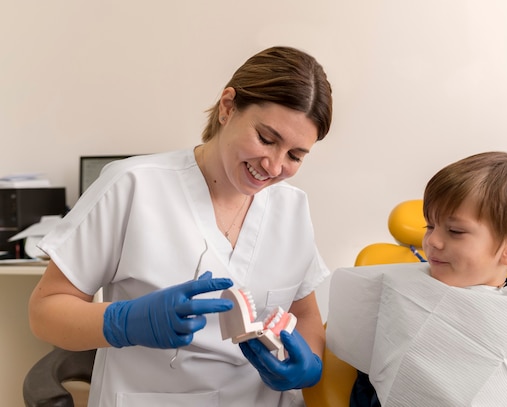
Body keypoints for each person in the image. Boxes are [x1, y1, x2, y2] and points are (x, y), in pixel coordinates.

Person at [29, 45, 333, 406]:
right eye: (266, 139)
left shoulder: (291, 207)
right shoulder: (133, 185)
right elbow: (45, 311)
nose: (274, 165)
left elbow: (305, 314)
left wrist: (309, 365)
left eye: (296, 155)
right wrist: (122, 322)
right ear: (227, 107)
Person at [326, 151, 507, 407]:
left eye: (455, 231)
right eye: (430, 226)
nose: (432, 241)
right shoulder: (399, 297)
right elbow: (369, 389)